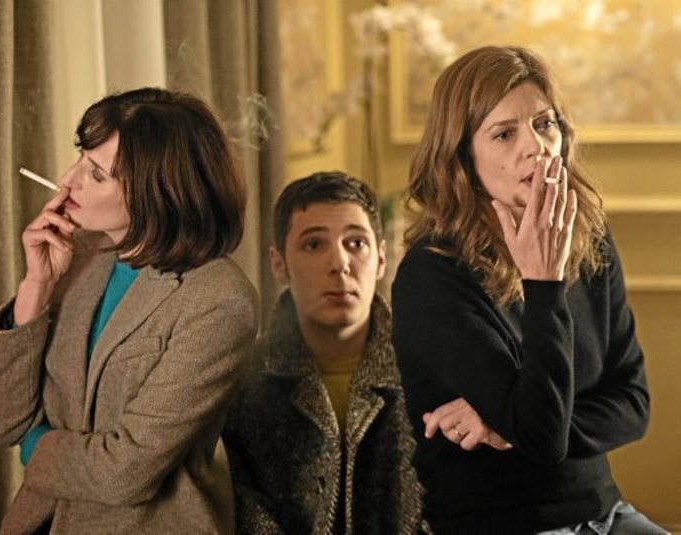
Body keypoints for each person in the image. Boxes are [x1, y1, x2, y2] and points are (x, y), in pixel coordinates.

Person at [392, 46, 667, 534]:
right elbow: (543, 437)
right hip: (502, 524)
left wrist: (506, 428)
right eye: (504, 133)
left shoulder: (588, 237)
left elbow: (632, 405)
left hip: (604, 512)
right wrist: (544, 283)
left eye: (545, 124)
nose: (536, 147)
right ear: (462, 157)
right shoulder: (431, 276)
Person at [0, 88, 259, 534]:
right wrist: (37, 286)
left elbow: (123, 472)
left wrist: (36, 445)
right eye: (80, 159)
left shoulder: (219, 300)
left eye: (96, 174)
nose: (67, 181)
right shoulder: (78, 256)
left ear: (157, 193)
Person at [222, 171, 425, 534]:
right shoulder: (240, 382)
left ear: (382, 258)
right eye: (314, 244)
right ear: (279, 264)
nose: (339, 263)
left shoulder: (427, 370)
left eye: (356, 243)